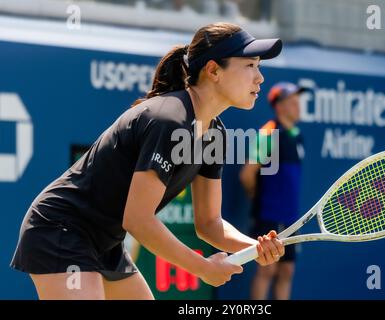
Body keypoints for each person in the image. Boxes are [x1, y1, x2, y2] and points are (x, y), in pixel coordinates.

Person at [10, 22, 285, 300]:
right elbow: (138, 220)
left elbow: (209, 223)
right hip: (62, 229)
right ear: (213, 70)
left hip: (105, 242)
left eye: (258, 66)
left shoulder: (215, 134)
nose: (259, 78)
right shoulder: (169, 120)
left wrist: (255, 247)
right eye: (250, 66)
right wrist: (202, 267)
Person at [240, 82, 306, 300]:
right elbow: (247, 174)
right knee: (267, 269)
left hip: (291, 218)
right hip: (268, 216)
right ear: (279, 106)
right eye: (292, 101)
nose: (298, 106)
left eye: (298, 100)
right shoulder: (268, 134)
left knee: (287, 270)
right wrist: (257, 196)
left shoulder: (297, 135)